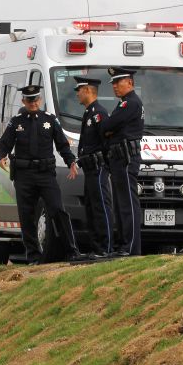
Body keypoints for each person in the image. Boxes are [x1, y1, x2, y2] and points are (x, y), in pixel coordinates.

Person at [0, 85, 83, 264]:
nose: (33, 103)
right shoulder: (16, 122)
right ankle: (33, 255)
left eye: (36, 100)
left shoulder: (50, 120)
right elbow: (4, 144)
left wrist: (71, 162)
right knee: (26, 216)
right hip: (24, 175)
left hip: (45, 174)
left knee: (58, 210)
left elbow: (62, 145)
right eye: (29, 100)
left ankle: (71, 251)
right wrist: (0, 158)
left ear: (40, 100)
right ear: (23, 102)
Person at [101, 67, 145, 257]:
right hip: (119, 158)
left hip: (127, 159)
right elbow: (109, 129)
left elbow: (108, 126)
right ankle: (123, 245)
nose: (115, 87)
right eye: (113, 83)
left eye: (118, 82)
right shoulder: (123, 104)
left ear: (130, 82)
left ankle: (131, 247)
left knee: (128, 204)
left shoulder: (131, 103)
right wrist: (111, 130)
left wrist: (111, 130)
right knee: (120, 205)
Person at [74, 76, 114, 260]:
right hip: (89, 167)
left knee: (100, 207)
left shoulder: (99, 113)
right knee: (90, 207)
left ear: (88, 90)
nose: (77, 93)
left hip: (98, 168)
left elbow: (106, 142)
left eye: (79, 89)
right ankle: (95, 247)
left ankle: (104, 247)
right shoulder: (89, 113)